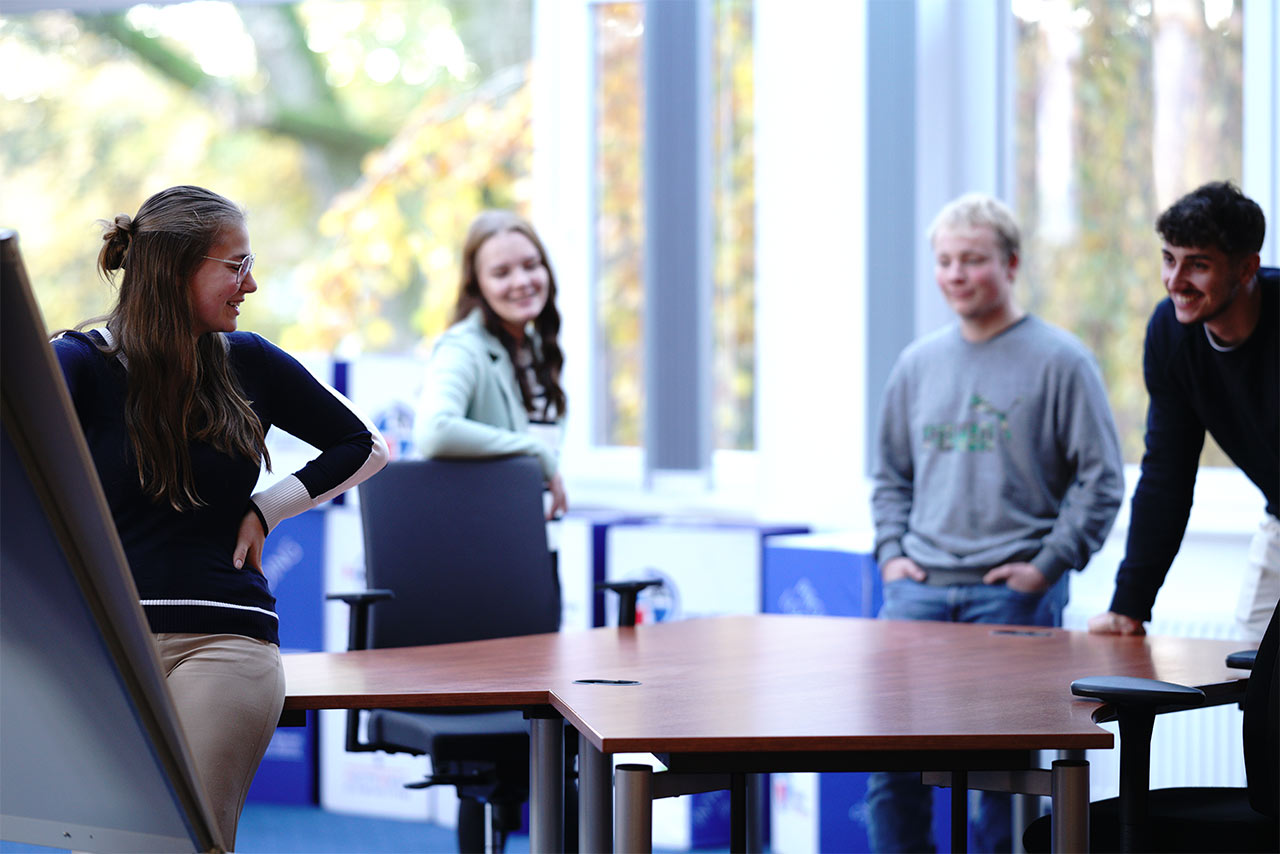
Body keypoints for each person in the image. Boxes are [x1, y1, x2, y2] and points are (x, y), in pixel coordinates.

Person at [53, 185, 388, 850]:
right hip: (102, 644)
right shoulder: (79, 363)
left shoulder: (249, 360)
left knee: (188, 839)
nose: (251, 284)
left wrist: (267, 509)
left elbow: (367, 446)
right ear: (175, 268)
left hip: (223, 639)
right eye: (237, 266)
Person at [866, 193, 1125, 853]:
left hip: (1011, 600)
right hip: (917, 595)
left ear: (1010, 264)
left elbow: (1101, 480)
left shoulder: (1062, 360)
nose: (956, 274)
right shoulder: (916, 364)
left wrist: (1046, 567)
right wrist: (891, 553)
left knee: (1003, 785)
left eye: (973, 259)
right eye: (945, 261)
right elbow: (890, 475)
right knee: (892, 774)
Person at [1089, 181, 1278, 642]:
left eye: (1198, 265)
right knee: (1254, 665)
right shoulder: (1171, 334)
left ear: (1246, 268)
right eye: (1169, 259)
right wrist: (1129, 605)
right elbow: (1166, 474)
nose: (1175, 281)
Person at [414, 209, 568, 519]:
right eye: (501, 273)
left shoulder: (537, 349)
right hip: (484, 538)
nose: (521, 281)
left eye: (531, 265)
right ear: (477, 285)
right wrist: (534, 451)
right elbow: (434, 430)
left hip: (537, 534)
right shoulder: (463, 348)